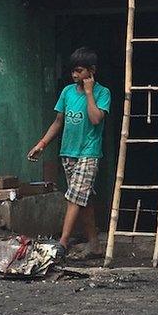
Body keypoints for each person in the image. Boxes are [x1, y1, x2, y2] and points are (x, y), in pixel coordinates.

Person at [28, 47, 111, 258]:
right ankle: (94, 243)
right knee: (84, 199)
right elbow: (58, 122)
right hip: (68, 152)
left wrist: (90, 92)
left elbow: (95, 119)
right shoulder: (67, 92)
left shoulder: (103, 93)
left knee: (74, 197)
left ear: (91, 71)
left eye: (80, 71)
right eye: (73, 71)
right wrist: (42, 143)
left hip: (89, 152)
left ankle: (62, 242)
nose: (75, 75)